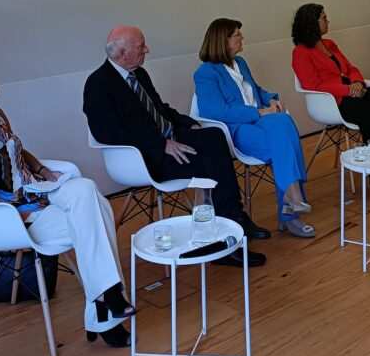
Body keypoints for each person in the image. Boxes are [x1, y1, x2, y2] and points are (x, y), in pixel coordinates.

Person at [0, 59, 133, 349]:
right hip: (10, 217)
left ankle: (104, 302)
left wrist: (41, 169)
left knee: (86, 190)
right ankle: (105, 305)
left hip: (35, 192)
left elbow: (15, 149)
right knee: (97, 216)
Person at [83, 25, 269, 267]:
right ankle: (225, 240)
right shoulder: (98, 84)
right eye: (141, 46)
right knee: (211, 161)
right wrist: (160, 144)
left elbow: (160, 109)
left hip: (168, 140)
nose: (147, 49)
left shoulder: (139, 74)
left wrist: (189, 123)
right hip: (145, 156)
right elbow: (106, 133)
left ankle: (234, 220)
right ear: (121, 53)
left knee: (214, 136)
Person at [194, 19, 314, 238]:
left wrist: (271, 99)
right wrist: (259, 112)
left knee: (283, 122)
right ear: (223, 40)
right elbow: (214, 111)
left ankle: (292, 200)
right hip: (236, 128)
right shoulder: (206, 73)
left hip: (260, 120)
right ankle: (291, 210)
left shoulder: (240, 62)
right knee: (283, 143)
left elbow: (255, 90)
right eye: (237, 35)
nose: (242, 38)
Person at [291, 3, 370, 199]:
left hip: (354, 91)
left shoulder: (329, 44)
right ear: (312, 23)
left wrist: (357, 82)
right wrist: (347, 90)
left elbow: (350, 68)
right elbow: (313, 85)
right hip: (334, 102)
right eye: (324, 18)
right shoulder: (300, 52)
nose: (328, 21)